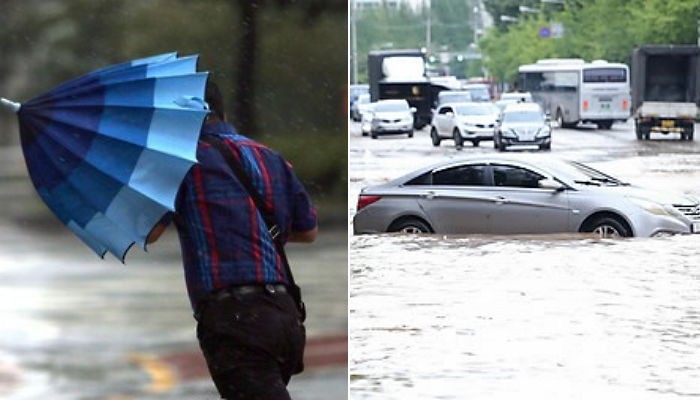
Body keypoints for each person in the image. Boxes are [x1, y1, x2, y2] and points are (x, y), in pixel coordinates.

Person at [148, 80, 318, 399]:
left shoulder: (179, 164)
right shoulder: (271, 157)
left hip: (235, 321)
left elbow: (151, 232)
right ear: (221, 110)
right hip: (284, 314)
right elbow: (308, 231)